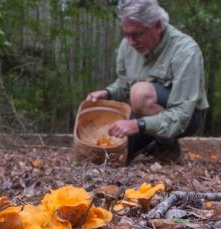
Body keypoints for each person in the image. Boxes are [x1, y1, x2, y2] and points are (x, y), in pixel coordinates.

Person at [86, 0, 209, 163]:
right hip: (143, 116)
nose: (130, 42)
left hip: (188, 117)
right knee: (111, 156)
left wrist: (138, 125)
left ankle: (166, 144)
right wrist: (107, 93)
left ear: (158, 26)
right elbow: (125, 84)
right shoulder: (127, 46)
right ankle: (154, 144)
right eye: (126, 34)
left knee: (140, 94)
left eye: (137, 34)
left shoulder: (185, 50)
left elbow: (182, 112)